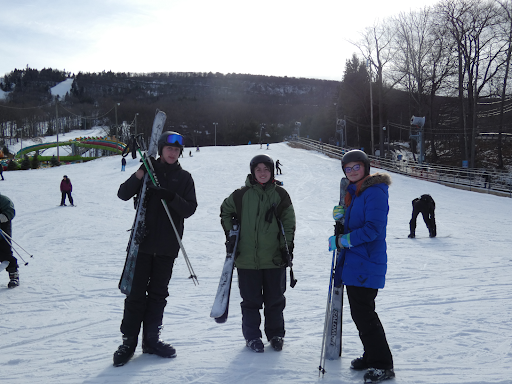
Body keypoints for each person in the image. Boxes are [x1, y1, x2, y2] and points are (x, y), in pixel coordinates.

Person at [114, 131, 197, 367]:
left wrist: (170, 196)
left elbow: (190, 209)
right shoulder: (148, 172)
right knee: (136, 294)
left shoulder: (185, 178)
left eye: (176, 150)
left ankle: (151, 339)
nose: (172, 153)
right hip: (141, 245)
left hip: (168, 247)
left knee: (158, 295)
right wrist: (141, 172)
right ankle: (128, 341)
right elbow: (123, 194)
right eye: (168, 149)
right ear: (161, 150)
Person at [328, 149, 394, 383]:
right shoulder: (357, 193)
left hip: (366, 261)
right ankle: (371, 355)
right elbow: (356, 221)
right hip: (356, 263)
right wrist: (342, 216)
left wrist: (344, 240)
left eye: (357, 167)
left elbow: (373, 229)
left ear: (365, 167)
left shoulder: (374, 192)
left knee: (365, 314)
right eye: (348, 168)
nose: (353, 171)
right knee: (360, 314)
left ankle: (382, 364)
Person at [220, 154, 295, 353]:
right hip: (246, 260)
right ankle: (252, 336)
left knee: (275, 300)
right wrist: (232, 234)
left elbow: (288, 223)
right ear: (253, 172)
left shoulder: (280, 194)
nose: (262, 173)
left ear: (272, 171)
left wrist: (286, 247)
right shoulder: (240, 195)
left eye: (266, 169)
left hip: (274, 258)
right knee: (251, 302)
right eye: (258, 169)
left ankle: (276, 334)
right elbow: (225, 211)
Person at [0, 193, 18, 288]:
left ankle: (13, 276)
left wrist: (1, 217)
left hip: (2, 234)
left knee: (6, 255)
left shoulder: (3, 200)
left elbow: (10, 211)